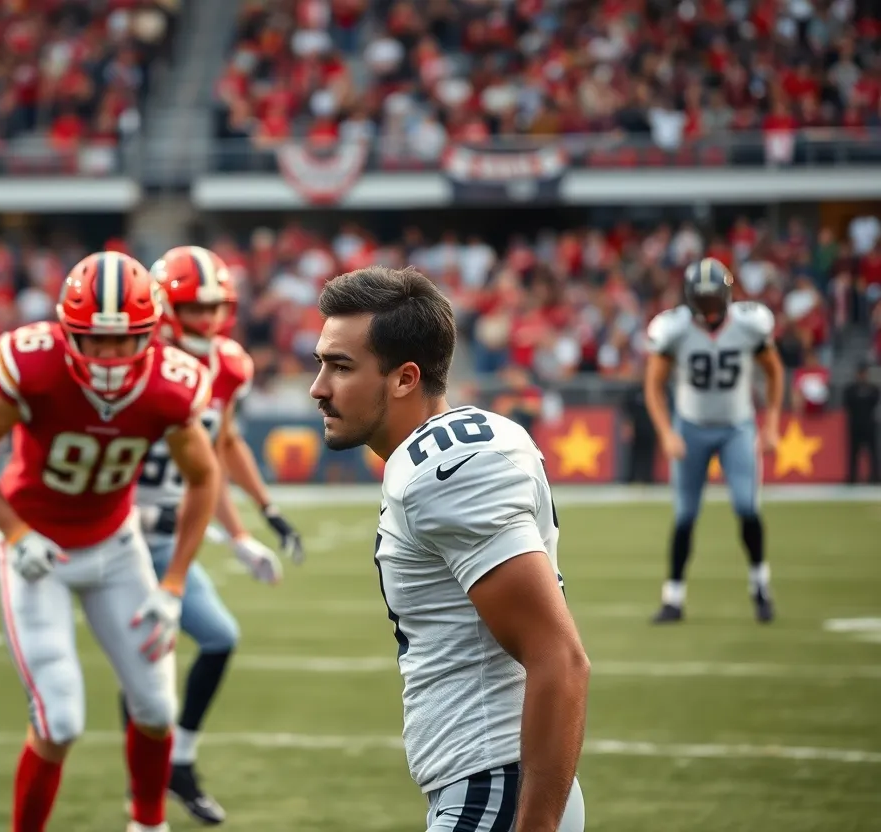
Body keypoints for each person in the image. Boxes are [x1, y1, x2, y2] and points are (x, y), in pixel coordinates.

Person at [309, 266, 588, 832]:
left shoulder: (442, 470)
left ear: (405, 377)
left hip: (494, 787)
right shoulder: (470, 441)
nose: (318, 386)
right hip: (489, 780)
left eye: (340, 366)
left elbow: (559, 657)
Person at [0, 250, 221, 832]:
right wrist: (14, 531)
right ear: (64, 329)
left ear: (151, 334)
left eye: (123, 340)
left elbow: (204, 478)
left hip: (115, 546)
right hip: (37, 555)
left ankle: (148, 824)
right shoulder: (35, 364)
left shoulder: (171, 386)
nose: (106, 357)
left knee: (156, 708)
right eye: (91, 340)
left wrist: (174, 582)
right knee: (60, 720)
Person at [130, 245, 304, 824]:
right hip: (121, 532)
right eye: (194, 307)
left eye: (215, 307)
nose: (208, 320)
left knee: (219, 637)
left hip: (174, 532)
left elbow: (219, 452)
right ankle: (146, 799)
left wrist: (255, 521)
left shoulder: (227, 365)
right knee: (147, 668)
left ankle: (178, 762)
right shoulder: (136, 356)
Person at [644, 258, 784, 624]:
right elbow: (653, 384)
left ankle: (760, 587)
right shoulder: (674, 328)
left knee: (746, 507)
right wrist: (666, 432)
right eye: (700, 300)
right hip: (691, 426)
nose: (707, 308)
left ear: (726, 295)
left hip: (737, 425)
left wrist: (770, 425)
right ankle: (673, 598)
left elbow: (774, 372)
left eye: (712, 299)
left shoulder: (750, 323)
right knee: (685, 514)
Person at [843, 361, 880, 483]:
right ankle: (852, 477)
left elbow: (874, 402)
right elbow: (848, 404)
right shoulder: (851, 389)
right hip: (855, 424)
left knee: (872, 452)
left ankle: (874, 476)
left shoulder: (873, 389)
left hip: (869, 424)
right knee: (853, 452)